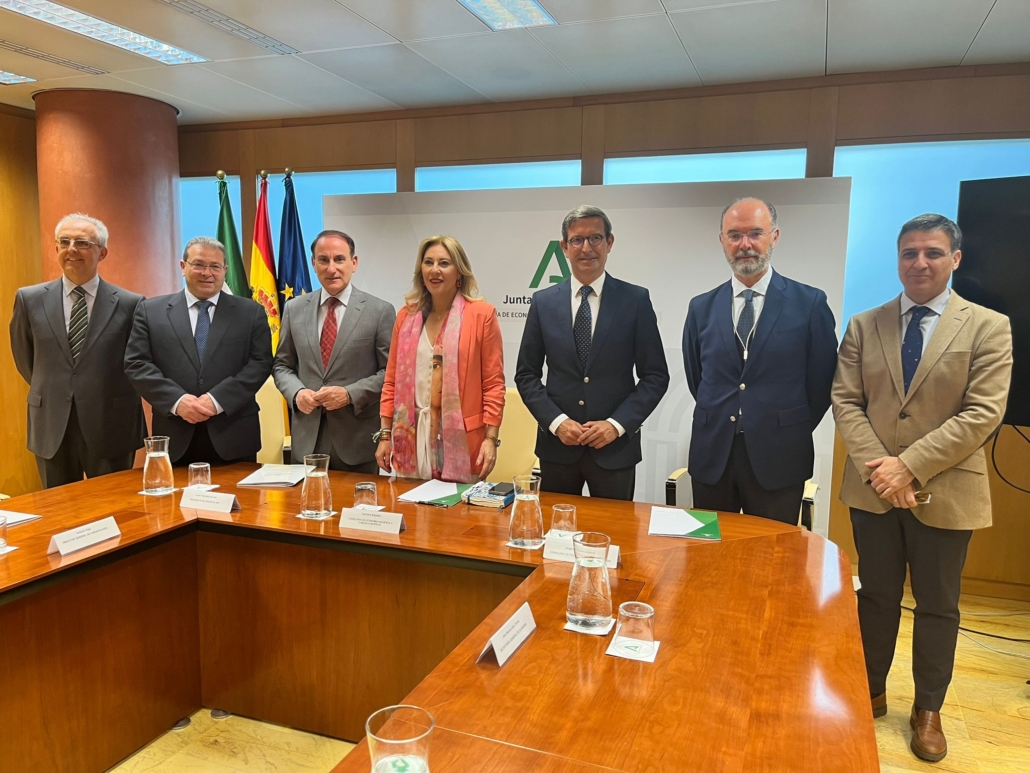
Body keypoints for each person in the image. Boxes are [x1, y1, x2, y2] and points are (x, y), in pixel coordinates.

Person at [832, 213, 1012, 763]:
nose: (920, 263)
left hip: (945, 490)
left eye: (933, 253)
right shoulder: (866, 325)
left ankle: (928, 708)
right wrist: (880, 470)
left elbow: (983, 413)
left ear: (955, 259)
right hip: (872, 490)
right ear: (898, 259)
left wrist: (907, 466)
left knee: (939, 605)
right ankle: (872, 689)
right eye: (909, 253)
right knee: (877, 597)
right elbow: (846, 400)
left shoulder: (988, 326)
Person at [682, 197, 838, 524]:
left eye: (755, 233)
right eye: (734, 235)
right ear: (722, 241)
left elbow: (822, 382)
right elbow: (697, 377)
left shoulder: (809, 303)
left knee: (772, 559)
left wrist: (781, 425)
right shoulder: (701, 307)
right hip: (713, 458)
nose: (745, 245)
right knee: (710, 553)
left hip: (780, 457)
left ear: (775, 237)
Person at [515, 205, 669, 501]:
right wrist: (557, 423)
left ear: (609, 243)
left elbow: (655, 376)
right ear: (564, 247)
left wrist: (616, 425)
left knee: (615, 536)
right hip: (558, 450)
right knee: (557, 536)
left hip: (615, 450)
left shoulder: (635, 300)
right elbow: (526, 375)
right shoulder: (543, 302)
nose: (586, 248)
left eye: (595, 238)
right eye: (577, 240)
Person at [9, 213, 145, 488]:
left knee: (114, 509)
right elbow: (26, 359)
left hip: (111, 423)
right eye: (65, 241)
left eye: (82, 242)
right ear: (57, 248)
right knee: (58, 513)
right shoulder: (29, 299)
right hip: (51, 423)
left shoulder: (131, 304)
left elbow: (137, 363)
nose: (72, 249)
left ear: (102, 252)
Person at [124, 236, 273, 465]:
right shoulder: (150, 311)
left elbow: (260, 364)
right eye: (199, 264)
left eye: (215, 266)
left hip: (233, 435)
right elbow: (137, 364)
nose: (207, 273)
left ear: (225, 270)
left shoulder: (250, 312)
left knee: (242, 501)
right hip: (175, 434)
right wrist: (177, 401)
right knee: (173, 502)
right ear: (183, 267)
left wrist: (216, 400)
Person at [376, 236, 504, 482]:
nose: (435, 270)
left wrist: (491, 439)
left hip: (462, 441)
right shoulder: (405, 316)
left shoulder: (482, 315)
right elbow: (390, 381)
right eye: (428, 262)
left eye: (444, 263)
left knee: (458, 518)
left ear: (459, 271)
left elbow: (493, 385)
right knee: (411, 515)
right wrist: (384, 435)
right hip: (410, 440)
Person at [273, 230, 395, 473]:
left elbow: (391, 374)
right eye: (323, 260)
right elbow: (282, 366)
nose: (332, 268)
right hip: (306, 442)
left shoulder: (380, 311)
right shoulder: (294, 309)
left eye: (339, 259)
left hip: (356, 443)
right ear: (314, 264)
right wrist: (297, 393)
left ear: (354, 262)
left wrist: (349, 394)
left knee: (356, 510)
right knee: (306, 510)